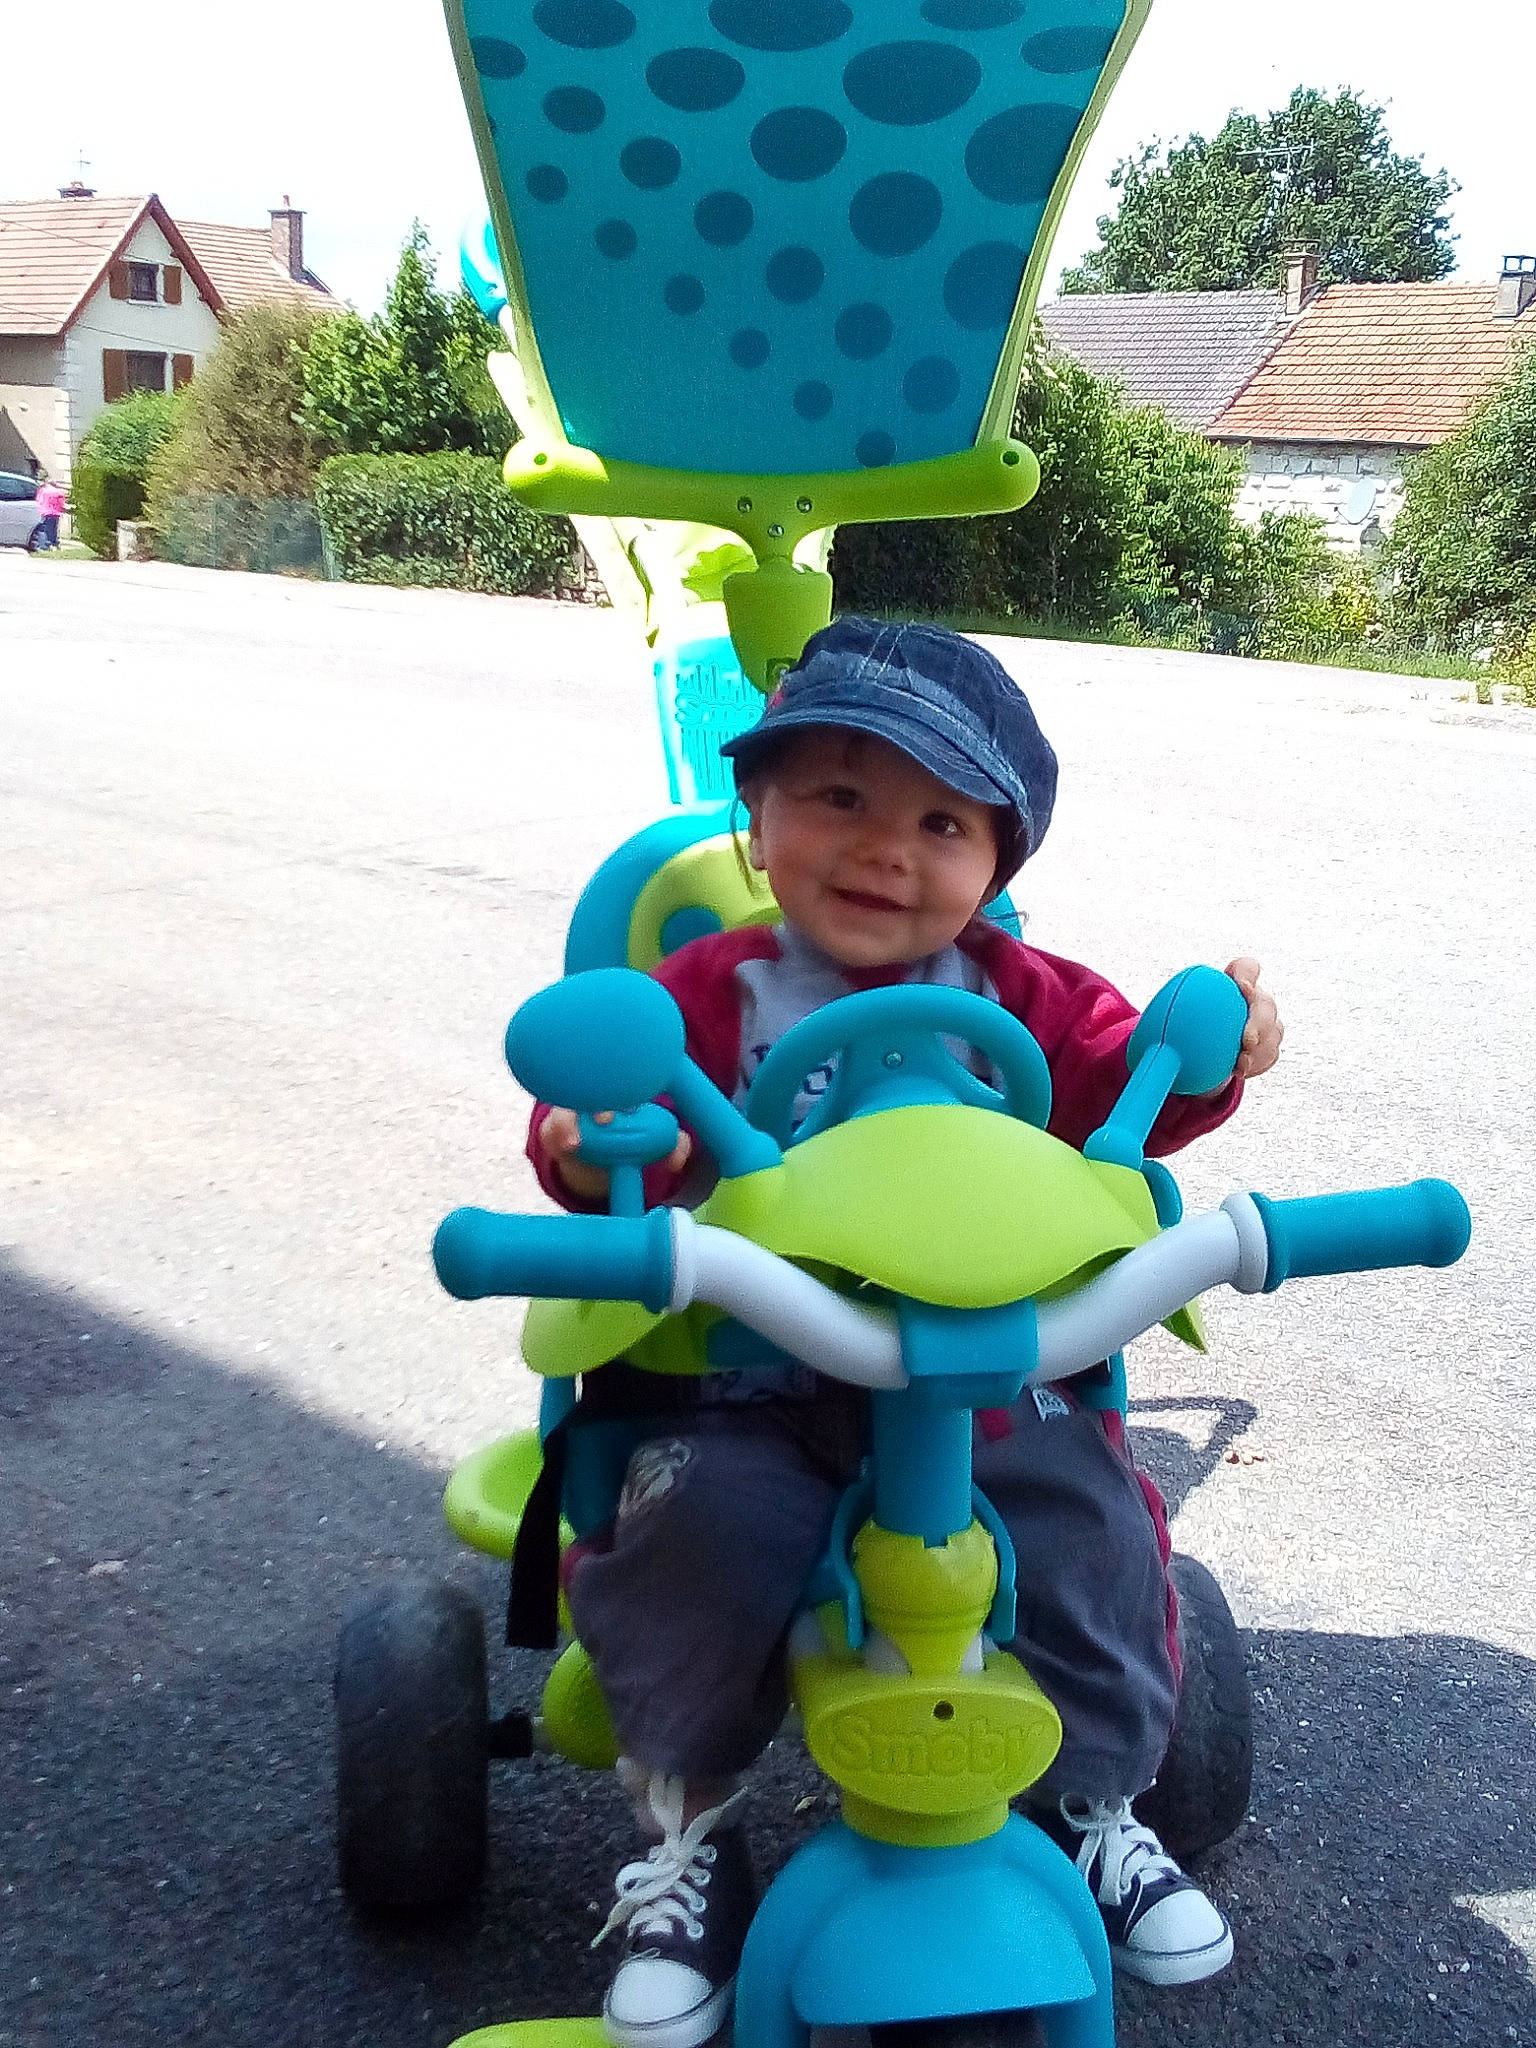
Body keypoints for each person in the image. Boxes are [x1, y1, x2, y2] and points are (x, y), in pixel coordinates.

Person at [527, 617, 1284, 2048]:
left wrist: (1213, 1053)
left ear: (1001, 866)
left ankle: (1095, 1804)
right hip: (740, 1380)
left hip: (981, 1374)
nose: (887, 849)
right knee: (697, 1541)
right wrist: (587, 1146)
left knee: (1088, 1528)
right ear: (756, 824)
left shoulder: (1028, 997)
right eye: (839, 798)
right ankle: (685, 1836)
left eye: (944, 820)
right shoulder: (705, 995)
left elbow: (1133, 1096)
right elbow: (606, 1128)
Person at [33, 476, 67, 550]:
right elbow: (61, 504)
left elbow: (39, 501)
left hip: (45, 512)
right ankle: (54, 544)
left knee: (43, 530)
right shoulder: (59, 493)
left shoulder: (42, 491)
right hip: (55, 513)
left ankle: (44, 545)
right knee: (53, 530)